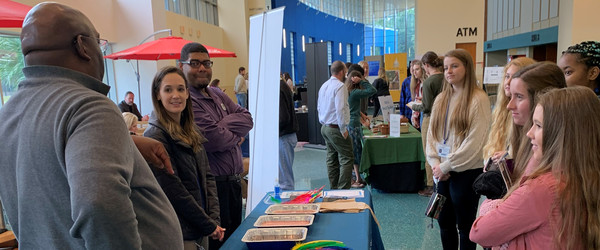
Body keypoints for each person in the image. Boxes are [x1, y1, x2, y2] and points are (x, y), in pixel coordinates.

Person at [0, 2, 183, 249]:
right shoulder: (89, 105)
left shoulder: (8, 113)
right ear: (82, 46)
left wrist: (125, 144)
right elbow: (99, 204)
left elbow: (47, 163)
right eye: (99, 43)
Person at [470, 87, 600, 249]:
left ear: (560, 134)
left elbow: (479, 232)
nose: (529, 133)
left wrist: (489, 205)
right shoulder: (587, 175)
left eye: (538, 126)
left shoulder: (542, 189)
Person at [179, 42, 253, 250]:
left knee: (235, 242)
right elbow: (212, 139)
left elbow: (247, 118)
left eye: (206, 63)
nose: (202, 68)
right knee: (217, 244)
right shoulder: (186, 102)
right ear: (181, 66)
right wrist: (235, 135)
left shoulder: (216, 93)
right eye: (194, 63)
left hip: (234, 184)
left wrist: (223, 128)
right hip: (212, 189)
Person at [144, 66, 225, 250]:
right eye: (168, 89)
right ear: (158, 94)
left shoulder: (192, 131)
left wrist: (213, 219)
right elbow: (174, 190)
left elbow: (208, 177)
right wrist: (208, 224)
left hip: (201, 228)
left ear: (188, 93)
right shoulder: (155, 136)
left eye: (180, 89)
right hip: (179, 233)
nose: (176, 95)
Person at [426, 49, 491, 250]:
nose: (449, 71)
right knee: (444, 222)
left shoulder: (478, 99)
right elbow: (432, 136)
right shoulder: (441, 99)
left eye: (454, 66)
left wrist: (447, 166)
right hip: (442, 172)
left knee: (465, 225)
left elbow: (475, 142)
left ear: (467, 68)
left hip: (466, 172)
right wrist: (436, 165)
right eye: (446, 67)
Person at [482, 57, 535, 162]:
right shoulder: (501, 110)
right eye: (507, 76)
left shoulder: (528, 113)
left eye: (514, 77)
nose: (508, 82)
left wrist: (509, 157)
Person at [410, 51, 444, 196]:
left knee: (429, 151)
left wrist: (413, 106)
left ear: (426, 65)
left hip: (430, 119)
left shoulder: (430, 81)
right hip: (444, 118)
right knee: (441, 150)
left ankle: (430, 184)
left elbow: (427, 106)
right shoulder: (445, 79)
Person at [317, 60, 353, 189]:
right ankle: (343, 190)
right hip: (336, 128)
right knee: (347, 158)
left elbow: (319, 107)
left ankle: (333, 188)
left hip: (325, 127)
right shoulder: (340, 86)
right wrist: (343, 128)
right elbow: (340, 109)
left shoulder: (324, 86)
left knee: (331, 158)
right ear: (342, 72)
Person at [346, 69, 376, 188]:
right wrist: (363, 81)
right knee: (356, 152)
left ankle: (356, 177)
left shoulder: (347, 91)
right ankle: (358, 178)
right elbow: (372, 90)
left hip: (350, 123)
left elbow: (354, 108)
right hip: (353, 125)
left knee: (353, 150)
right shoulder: (355, 92)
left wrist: (362, 116)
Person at [279, 79, 299, 190]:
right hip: (286, 136)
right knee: (284, 177)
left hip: (283, 136)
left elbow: (283, 118)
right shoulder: (282, 85)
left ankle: (286, 204)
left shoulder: (277, 88)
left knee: (285, 182)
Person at [409, 60, 427, 128]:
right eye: (413, 70)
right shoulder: (416, 85)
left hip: (425, 115)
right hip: (418, 115)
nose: (414, 72)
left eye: (417, 69)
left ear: (422, 70)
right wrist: (414, 117)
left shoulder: (426, 84)